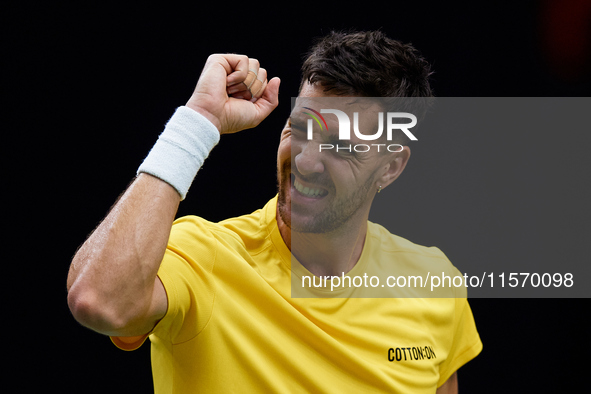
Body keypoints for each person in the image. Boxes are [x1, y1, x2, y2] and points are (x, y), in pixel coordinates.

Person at [67, 30, 482, 393]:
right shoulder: (206, 256)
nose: (306, 161)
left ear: (390, 167)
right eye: (299, 129)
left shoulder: (434, 282)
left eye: (341, 146)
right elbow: (97, 300)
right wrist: (198, 122)